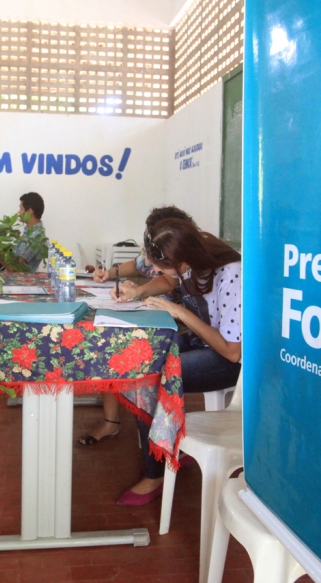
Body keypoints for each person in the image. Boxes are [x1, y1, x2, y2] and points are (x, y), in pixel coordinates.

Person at [116, 218, 242, 505]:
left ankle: (155, 472)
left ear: (182, 259)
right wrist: (139, 292)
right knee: (139, 357)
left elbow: (232, 351)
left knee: (148, 376)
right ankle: (170, 444)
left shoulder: (230, 274)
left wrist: (179, 312)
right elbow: (168, 280)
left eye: (162, 266)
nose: (157, 272)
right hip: (203, 342)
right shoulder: (191, 261)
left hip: (226, 359)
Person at [77, 205, 195, 446]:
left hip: (176, 320)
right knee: (111, 340)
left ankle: (158, 441)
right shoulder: (155, 245)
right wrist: (110, 273)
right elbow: (139, 264)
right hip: (153, 308)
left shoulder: (182, 250)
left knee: (130, 349)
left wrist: (139, 291)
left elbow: (168, 282)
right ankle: (113, 422)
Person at [14, 192, 47, 272]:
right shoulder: (30, 232)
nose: (19, 212)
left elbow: (16, 269)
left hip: (17, 282)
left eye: (21, 209)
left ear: (29, 211)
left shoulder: (35, 236)